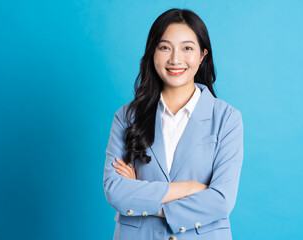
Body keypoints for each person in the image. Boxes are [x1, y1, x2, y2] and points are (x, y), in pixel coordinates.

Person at [103, 8, 244, 240]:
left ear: (202, 55)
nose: (175, 59)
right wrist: (190, 188)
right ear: (153, 53)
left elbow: (221, 200)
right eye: (165, 47)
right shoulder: (127, 116)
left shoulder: (227, 118)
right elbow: (116, 191)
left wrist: (143, 196)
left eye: (187, 48)